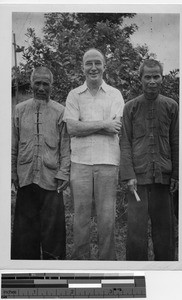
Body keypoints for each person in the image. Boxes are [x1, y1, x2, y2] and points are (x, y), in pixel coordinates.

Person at [64, 48, 124, 260]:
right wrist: (104, 124)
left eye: (97, 63)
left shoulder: (115, 94)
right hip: (79, 162)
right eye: (88, 63)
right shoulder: (74, 95)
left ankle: (107, 262)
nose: (93, 67)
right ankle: (80, 261)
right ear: (82, 67)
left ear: (104, 67)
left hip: (108, 162)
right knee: (80, 216)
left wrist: (86, 125)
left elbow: (115, 127)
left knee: (106, 217)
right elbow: (72, 128)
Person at [120, 59, 179, 261]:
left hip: (164, 178)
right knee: (136, 232)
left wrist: (176, 175)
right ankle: (136, 271)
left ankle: (166, 273)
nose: (152, 81)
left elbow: (176, 142)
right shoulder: (130, 108)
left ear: (162, 78)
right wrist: (128, 175)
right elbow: (125, 143)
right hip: (137, 181)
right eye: (148, 77)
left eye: (156, 76)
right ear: (140, 79)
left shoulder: (171, 106)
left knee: (164, 232)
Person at [11, 66, 70, 260]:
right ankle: (26, 271)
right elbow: (13, 145)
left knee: (54, 232)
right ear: (32, 84)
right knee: (24, 233)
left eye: (46, 84)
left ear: (51, 85)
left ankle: (55, 270)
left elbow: (66, 146)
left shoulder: (60, 111)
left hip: (51, 179)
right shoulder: (20, 110)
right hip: (26, 177)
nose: (42, 88)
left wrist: (63, 173)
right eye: (38, 83)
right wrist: (12, 173)